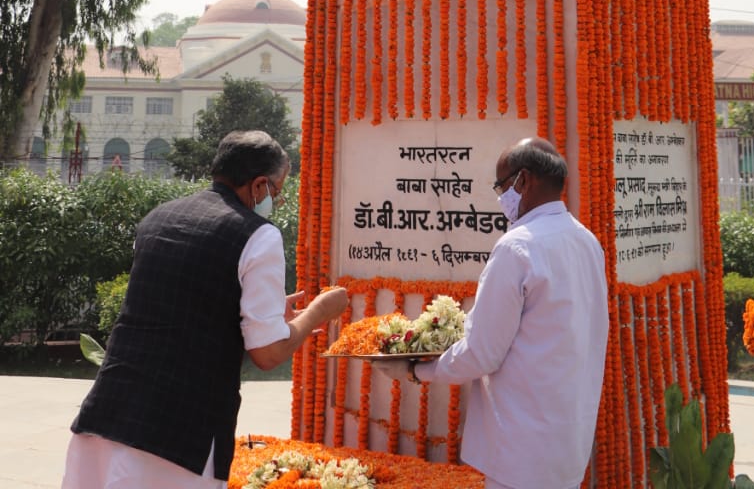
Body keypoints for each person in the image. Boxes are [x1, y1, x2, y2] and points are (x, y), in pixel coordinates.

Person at [61, 130, 348, 489]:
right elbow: (268, 352)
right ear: (258, 186)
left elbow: (183, 305)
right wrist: (318, 312)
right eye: (276, 191)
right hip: (176, 438)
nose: (275, 200)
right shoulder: (258, 235)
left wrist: (262, 316)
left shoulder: (158, 218)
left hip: (107, 416)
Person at [411, 137, 607, 489]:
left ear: (524, 180)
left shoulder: (517, 247)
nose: (501, 197)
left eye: (501, 186)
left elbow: (482, 353)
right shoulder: (587, 241)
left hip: (522, 449)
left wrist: (416, 370)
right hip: (568, 442)